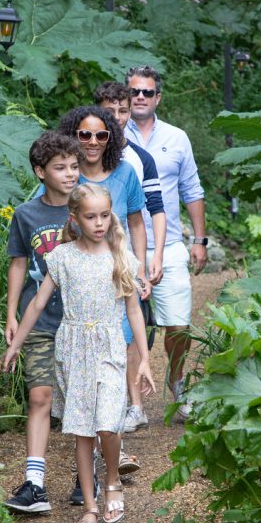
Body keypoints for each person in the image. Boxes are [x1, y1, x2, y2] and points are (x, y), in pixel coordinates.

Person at [0, 183, 156, 523]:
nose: (99, 223)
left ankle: (112, 479)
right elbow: (38, 304)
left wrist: (144, 359)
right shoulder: (63, 258)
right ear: (75, 218)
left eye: (104, 215)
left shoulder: (121, 257)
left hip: (110, 347)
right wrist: (15, 346)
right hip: (72, 349)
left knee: (107, 423)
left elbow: (134, 309)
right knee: (83, 431)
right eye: (91, 217)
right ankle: (89, 506)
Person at [40, 106, 150, 491]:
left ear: (110, 138)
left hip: (114, 277)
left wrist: (140, 267)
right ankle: (86, 476)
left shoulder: (125, 174)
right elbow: (44, 220)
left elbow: (136, 220)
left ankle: (111, 457)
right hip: (75, 286)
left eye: (100, 135)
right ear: (74, 136)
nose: (92, 142)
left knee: (111, 368)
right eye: (84, 135)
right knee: (82, 386)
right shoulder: (61, 175)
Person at [1, 131, 81, 513]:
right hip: (40, 319)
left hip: (82, 321)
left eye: (74, 166)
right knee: (39, 397)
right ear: (40, 172)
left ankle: (88, 478)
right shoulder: (26, 215)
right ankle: (34, 484)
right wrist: (11, 314)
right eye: (60, 168)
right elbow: (18, 263)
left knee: (84, 400)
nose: (70, 174)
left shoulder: (88, 208)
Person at [123, 65, 208, 421]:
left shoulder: (176, 138)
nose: (140, 97)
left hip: (168, 242)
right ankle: (133, 404)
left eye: (147, 92)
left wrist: (199, 239)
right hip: (121, 244)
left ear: (158, 97)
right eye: (134, 92)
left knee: (177, 324)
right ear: (126, 95)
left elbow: (192, 189)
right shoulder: (107, 135)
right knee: (126, 327)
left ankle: (177, 380)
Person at [94, 83, 167, 431]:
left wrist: (142, 263)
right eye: (110, 111)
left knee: (129, 326)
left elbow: (144, 214)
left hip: (121, 260)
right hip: (86, 259)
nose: (117, 117)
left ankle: (134, 404)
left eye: (123, 111)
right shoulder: (80, 154)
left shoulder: (137, 159)